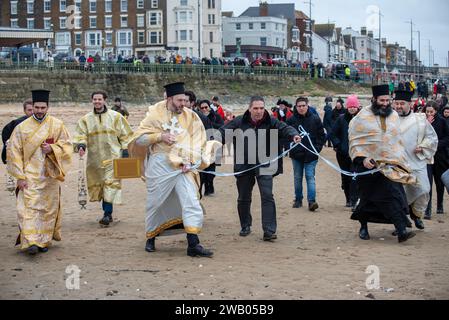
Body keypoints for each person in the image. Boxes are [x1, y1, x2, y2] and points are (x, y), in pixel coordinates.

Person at [128, 82, 220, 257]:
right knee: (155, 202)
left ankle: (193, 243)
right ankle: (151, 237)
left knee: (191, 200)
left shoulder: (191, 116)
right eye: (179, 101)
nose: (183, 105)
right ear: (169, 98)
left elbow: (198, 140)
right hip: (160, 163)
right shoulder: (154, 114)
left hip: (183, 166)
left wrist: (190, 160)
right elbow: (138, 140)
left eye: (185, 101)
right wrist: (159, 136)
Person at [219, 96, 301, 240]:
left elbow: (285, 128)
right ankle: (245, 225)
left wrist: (294, 135)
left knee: (267, 195)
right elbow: (223, 132)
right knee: (244, 197)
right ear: (250, 108)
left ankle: (269, 230)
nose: (258, 111)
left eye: (261, 108)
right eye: (255, 108)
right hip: (244, 164)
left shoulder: (271, 120)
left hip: (265, 164)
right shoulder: (239, 121)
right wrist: (213, 141)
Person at [7, 90, 72, 255]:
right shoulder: (21, 128)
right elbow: (14, 153)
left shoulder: (57, 125)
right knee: (28, 208)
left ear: (48, 107)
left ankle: (43, 241)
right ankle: (31, 241)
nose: (40, 110)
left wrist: (52, 148)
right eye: (37, 107)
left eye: (43, 107)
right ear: (32, 107)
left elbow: (67, 146)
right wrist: (20, 177)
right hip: (29, 175)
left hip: (49, 175)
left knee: (47, 209)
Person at [349, 84, 416, 243]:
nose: (386, 103)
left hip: (388, 166)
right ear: (374, 99)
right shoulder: (361, 117)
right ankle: (363, 227)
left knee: (392, 195)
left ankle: (401, 230)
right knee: (366, 200)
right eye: (382, 100)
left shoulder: (393, 116)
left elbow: (395, 141)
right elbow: (355, 142)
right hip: (367, 167)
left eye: (388, 100)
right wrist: (363, 159)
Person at [73, 91, 133, 226]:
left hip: (113, 157)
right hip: (95, 159)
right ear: (92, 100)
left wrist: (125, 150)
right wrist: (81, 145)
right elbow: (80, 135)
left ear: (105, 100)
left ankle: (107, 214)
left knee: (109, 183)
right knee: (100, 185)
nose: (97, 102)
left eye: (100, 99)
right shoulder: (85, 119)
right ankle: (107, 210)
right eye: (95, 99)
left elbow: (126, 135)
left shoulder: (116, 117)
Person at [392, 90, 438, 230]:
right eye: (397, 103)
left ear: (410, 104)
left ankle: (416, 215)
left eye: (402, 103)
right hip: (398, 164)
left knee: (424, 190)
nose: (399, 106)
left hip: (417, 162)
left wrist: (423, 147)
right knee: (400, 195)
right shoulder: (390, 119)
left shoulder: (420, 120)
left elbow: (432, 138)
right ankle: (401, 223)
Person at [286, 96, 326, 211]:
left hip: (311, 155)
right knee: (297, 177)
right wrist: (290, 148)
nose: (302, 108)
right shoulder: (291, 120)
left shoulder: (315, 119)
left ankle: (312, 201)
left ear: (307, 106)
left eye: (304, 106)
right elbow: (285, 135)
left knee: (310, 177)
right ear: (296, 107)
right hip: (296, 154)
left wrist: (317, 149)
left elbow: (322, 135)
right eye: (299, 106)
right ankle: (298, 199)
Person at [330, 95, 361, 209]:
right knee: (345, 177)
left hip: (357, 154)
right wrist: (337, 144)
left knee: (355, 176)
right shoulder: (341, 118)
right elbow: (333, 133)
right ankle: (348, 199)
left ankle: (354, 200)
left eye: (354, 106)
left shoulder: (361, 119)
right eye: (350, 106)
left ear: (357, 107)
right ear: (347, 107)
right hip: (343, 153)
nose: (352, 108)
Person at [423, 101, 449, 218]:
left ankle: (439, 205)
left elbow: (447, 137)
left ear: (436, 111)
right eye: (427, 111)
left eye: (431, 112)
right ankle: (427, 210)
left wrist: (437, 145)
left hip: (440, 157)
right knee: (427, 183)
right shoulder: (422, 122)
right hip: (426, 157)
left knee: (439, 183)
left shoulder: (442, 121)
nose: (429, 114)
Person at [2, 99, 33, 164]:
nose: (32, 112)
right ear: (24, 111)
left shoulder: (45, 122)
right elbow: (6, 137)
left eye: (34, 109)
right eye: (29, 110)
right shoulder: (17, 123)